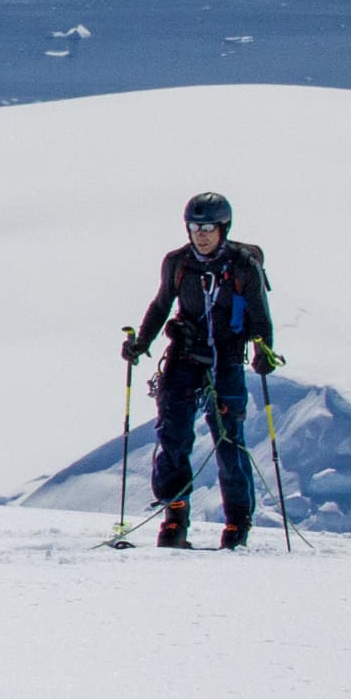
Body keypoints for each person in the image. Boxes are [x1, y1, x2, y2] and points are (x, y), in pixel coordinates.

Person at [121, 191, 280, 547]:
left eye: (208, 227)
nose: (201, 234)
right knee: (172, 436)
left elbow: (259, 314)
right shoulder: (177, 263)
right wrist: (141, 343)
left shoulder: (243, 265)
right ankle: (175, 518)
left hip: (226, 358)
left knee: (228, 441)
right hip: (185, 354)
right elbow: (162, 304)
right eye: (194, 227)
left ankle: (237, 523)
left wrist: (263, 350)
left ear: (224, 227)